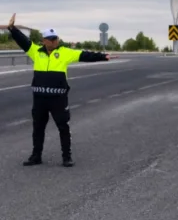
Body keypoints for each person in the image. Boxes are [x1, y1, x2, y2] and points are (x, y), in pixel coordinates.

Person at [7, 14, 109, 167]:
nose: (55, 41)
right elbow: (23, 41)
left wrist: (103, 56)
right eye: (51, 39)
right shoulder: (36, 52)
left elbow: (85, 55)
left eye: (56, 38)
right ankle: (36, 156)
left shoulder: (64, 52)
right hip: (40, 99)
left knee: (63, 127)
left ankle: (66, 157)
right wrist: (12, 29)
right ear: (44, 41)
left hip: (58, 99)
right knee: (38, 128)